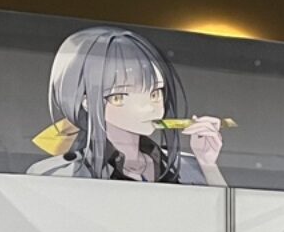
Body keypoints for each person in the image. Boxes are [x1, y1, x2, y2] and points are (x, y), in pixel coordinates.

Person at [28, 26, 225, 185]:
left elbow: (223, 218)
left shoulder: (188, 167)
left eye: (155, 93)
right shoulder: (57, 175)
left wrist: (207, 164)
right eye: (120, 96)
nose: (149, 107)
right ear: (86, 101)